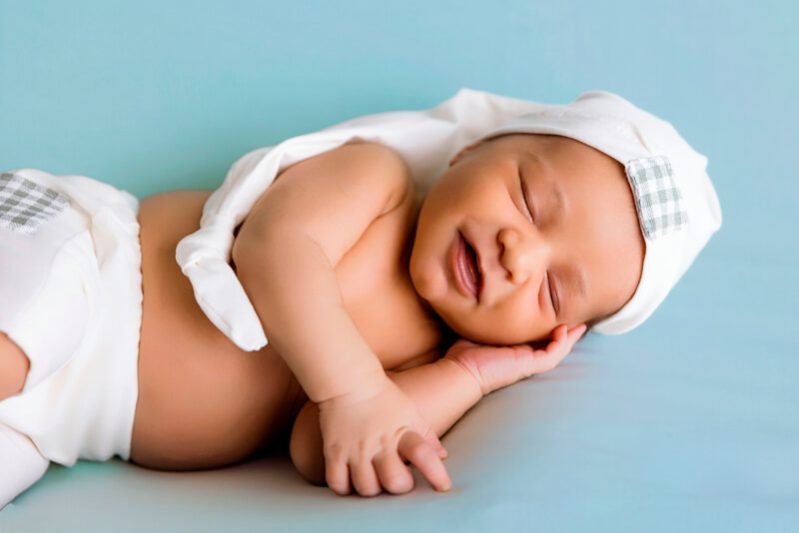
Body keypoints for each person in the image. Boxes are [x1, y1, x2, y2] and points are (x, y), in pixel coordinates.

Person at [0, 88, 721, 507]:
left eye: (552, 287)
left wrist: (467, 374)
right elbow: (274, 249)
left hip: (59, 429)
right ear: (472, 150)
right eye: (529, 200)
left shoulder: (417, 358)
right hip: (79, 262)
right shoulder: (377, 181)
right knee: (20, 339)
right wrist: (355, 390)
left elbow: (321, 450)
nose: (517, 253)